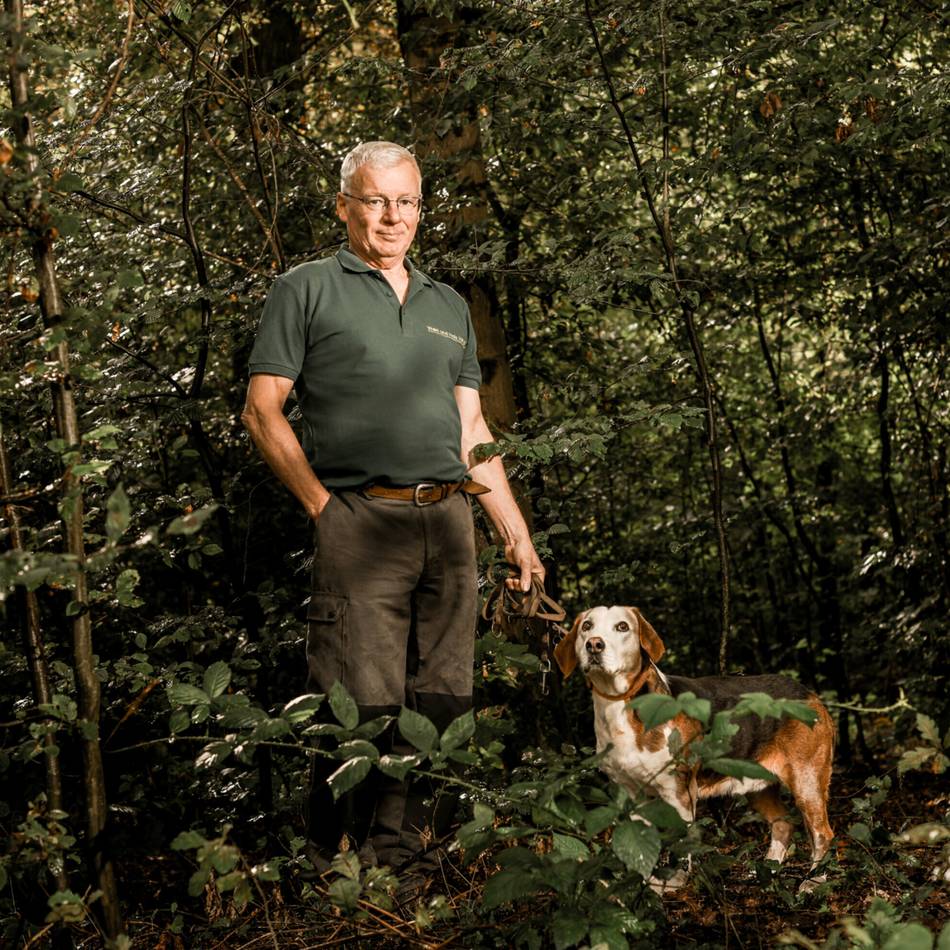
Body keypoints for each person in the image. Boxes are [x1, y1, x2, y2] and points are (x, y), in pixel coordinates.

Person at [242, 141, 543, 887]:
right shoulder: (305, 288)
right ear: (344, 204)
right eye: (375, 200)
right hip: (360, 520)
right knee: (359, 704)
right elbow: (261, 410)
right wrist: (323, 507)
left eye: (405, 201)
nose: (391, 216)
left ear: (420, 209)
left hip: (448, 526)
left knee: (444, 700)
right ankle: (323, 865)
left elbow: (473, 434)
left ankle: (403, 864)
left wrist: (515, 534)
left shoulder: (447, 305)